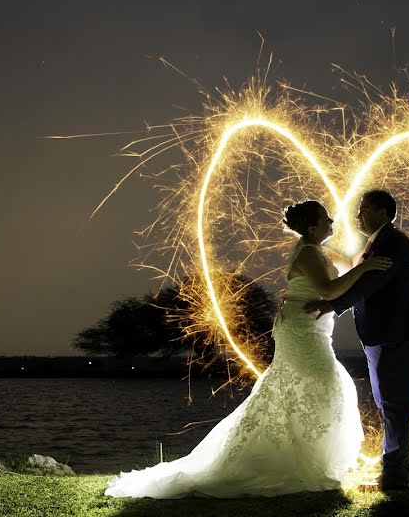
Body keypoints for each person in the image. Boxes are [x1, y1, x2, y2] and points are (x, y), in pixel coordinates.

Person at [104, 200, 390, 498]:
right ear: (311, 227)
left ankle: (304, 456)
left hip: (312, 328)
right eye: (326, 218)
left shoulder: (319, 251)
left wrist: (371, 246)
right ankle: (303, 460)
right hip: (302, 331)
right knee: (328, 384)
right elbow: (330, 290)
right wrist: (369, 266)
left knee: (308, 387)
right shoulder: (308, 253)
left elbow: (351, 266)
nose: (333, 221)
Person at [306, 190, 409, 491]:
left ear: (383, 213)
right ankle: (395, 469)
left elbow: (371, 283)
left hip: (395, 334)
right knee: (388, 402)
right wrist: (321, 252)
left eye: (365, 208)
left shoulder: (394, 243)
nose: (358, 214)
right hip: (380, 335)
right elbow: (357, 271)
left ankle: (397, 475)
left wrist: (333, 305)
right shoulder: (375, 243)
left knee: (394, 403)